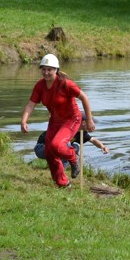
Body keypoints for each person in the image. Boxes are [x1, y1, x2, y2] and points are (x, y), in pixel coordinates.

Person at [21, 54, 96, 188]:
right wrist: (24, 121)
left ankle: (73, 157)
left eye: (50, 69)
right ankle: (63, 183)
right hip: (55, 120)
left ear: (56, 70)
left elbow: (84, 98)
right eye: (44, 69)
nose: (46, 72)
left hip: (72, 119)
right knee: (49, 151)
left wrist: (89, 120)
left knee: (57, 145)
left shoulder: (65, 84)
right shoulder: (40, 86)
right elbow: (31, 104)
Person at [34, 117, 109, 161]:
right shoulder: (67, 128)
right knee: (67, 145)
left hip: (55, 151)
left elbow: (93, 140)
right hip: (41, 148)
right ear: (83, 123)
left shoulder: (81, 133)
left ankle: (62, 171)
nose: (92, 126)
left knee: (75, 147)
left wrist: (102, 146)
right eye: (90, 123)